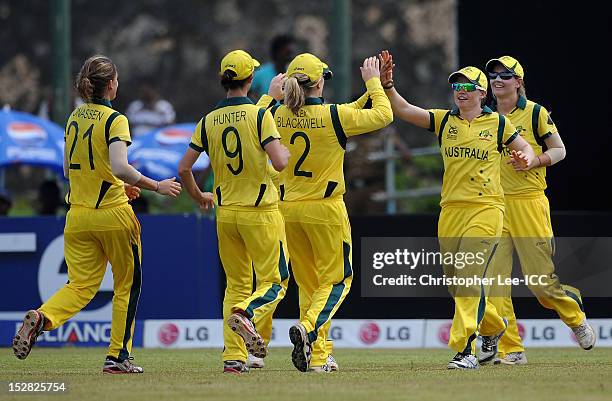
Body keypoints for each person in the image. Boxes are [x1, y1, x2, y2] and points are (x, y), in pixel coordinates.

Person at [12, 55, 181, 373]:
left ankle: (43, 317)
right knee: (126, 286)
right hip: (113, 215)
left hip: (77, 215)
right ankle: (118, 357)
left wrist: (112, 181)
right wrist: (155, 186)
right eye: (116, 79)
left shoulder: (74, 117)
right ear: (111, 84)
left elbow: (67, 169)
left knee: (80, 285)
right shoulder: (115, 119)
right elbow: (120, 166)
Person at [379, 50, 537, 369]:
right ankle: (493, 326)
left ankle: (465, 350)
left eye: (468, 87)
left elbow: (527, 149)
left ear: (482, 93)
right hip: (451, 210)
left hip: (486, 208)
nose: (461, 91)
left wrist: (526, 159)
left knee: (467, 276)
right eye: (456, 86)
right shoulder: (444, 120)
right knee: (455, 282)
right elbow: (405, 110)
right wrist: (388, 85)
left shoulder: (498, 123)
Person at [257, 53, 393, 372]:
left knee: (310, 286)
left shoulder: (275, 114)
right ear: (319, 82)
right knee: (337, 280)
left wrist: (269, 95)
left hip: (288, 209)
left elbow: (253, 119)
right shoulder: (334, 116)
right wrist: (373, 82)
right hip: (325, 208)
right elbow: (383, 115)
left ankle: (318, 357)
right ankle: (309, 329)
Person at [178, 50, 291, 374]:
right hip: (260, 211)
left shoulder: (208, 119)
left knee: (236, 284)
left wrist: (199, 195)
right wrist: (281, 148)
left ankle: (233, 356)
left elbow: (184, 167)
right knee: (276, 280)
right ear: (251, 79)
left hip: (225, 213)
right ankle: (246, 314)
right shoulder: (259, 116)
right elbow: (279, 162)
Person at [477, 56, 595, 366]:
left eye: (505, 75)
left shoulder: (534, 113)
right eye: (493, 74)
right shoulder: (483, 115)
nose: (497, 79)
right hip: (494, 205)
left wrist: (534, 161)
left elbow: (560, 150)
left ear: (518, 82)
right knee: (495, 284)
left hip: (529, 201)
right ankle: (512, 350)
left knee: (541, 285)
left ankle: (575, 316)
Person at [249, 34, 296, 99]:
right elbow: (246, 92)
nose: (291, 57)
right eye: (287, 53)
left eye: (291, 53)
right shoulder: (261, 74)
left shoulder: (295, 74)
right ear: (277, 52)